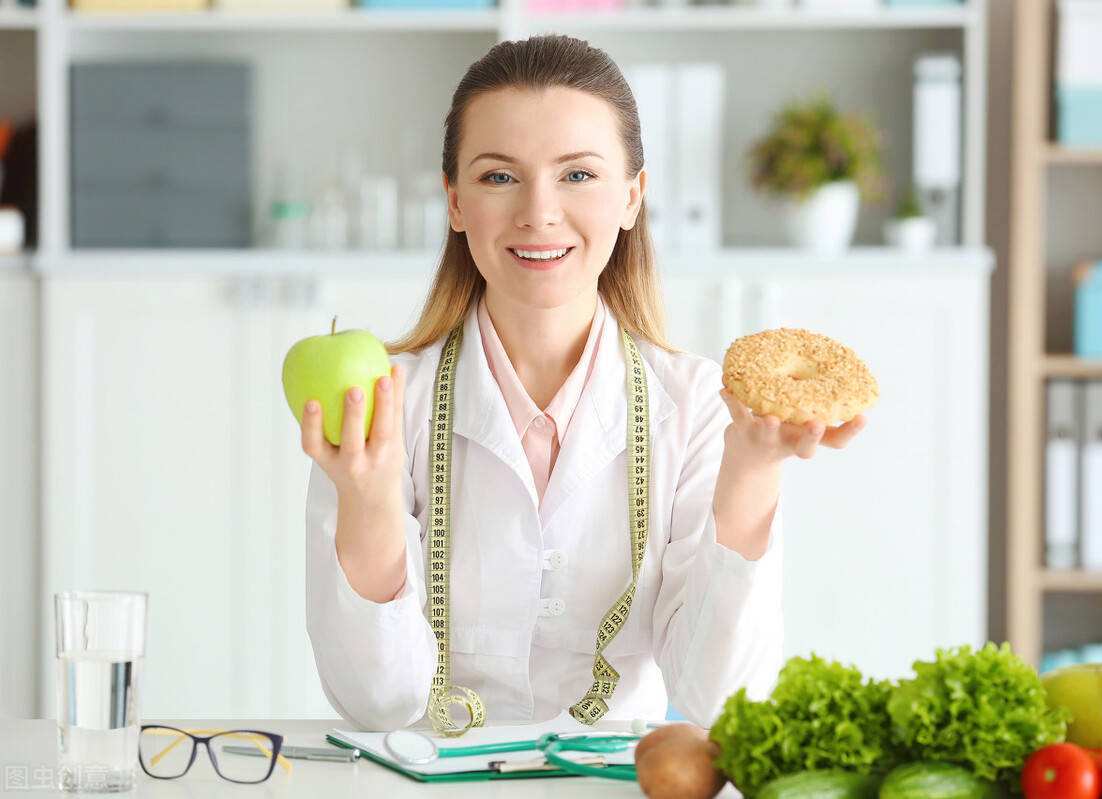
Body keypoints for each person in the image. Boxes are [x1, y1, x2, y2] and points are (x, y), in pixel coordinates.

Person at [301, 33, 866, 733]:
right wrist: (366, 500)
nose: (539, 212)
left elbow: (723, 699)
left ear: (633, 197)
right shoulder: (380, 410)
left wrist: (751, 472)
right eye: (499, 176)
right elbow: (375, 702)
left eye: (577, 175)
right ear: (454, 201)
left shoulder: (694, 406)